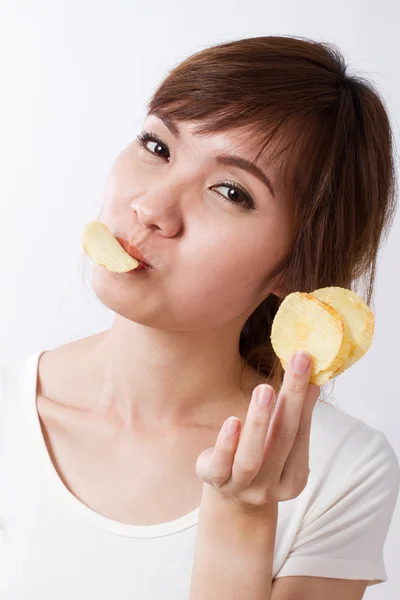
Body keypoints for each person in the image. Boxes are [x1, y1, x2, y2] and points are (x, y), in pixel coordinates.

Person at [0, 35, 399, 599]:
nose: (151, 208)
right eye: (157, 146)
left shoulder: (342, 471)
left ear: (296, 266)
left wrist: (242, 516)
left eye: (230, 191)